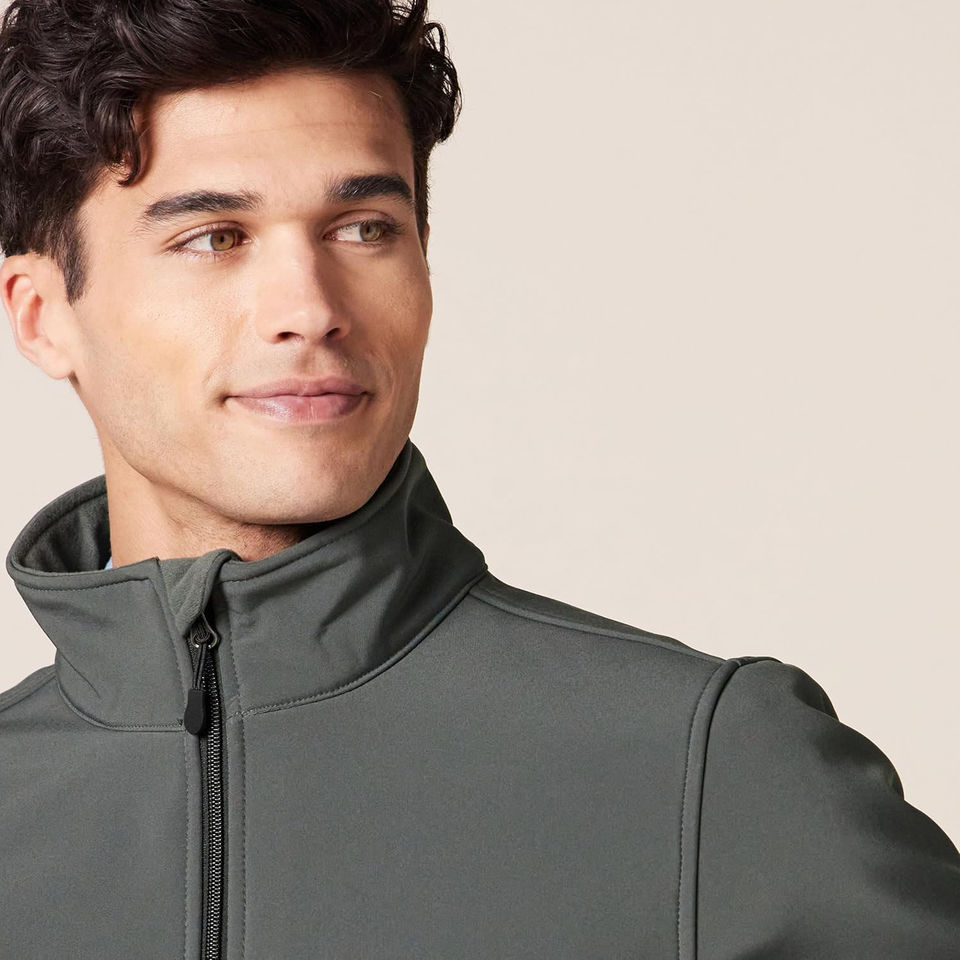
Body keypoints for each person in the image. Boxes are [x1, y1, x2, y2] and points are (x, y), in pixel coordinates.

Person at [0, 0, 957, 956]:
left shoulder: (714, 771)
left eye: (363, 228)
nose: (310, 308)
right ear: (41, 315)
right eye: (215, 237)